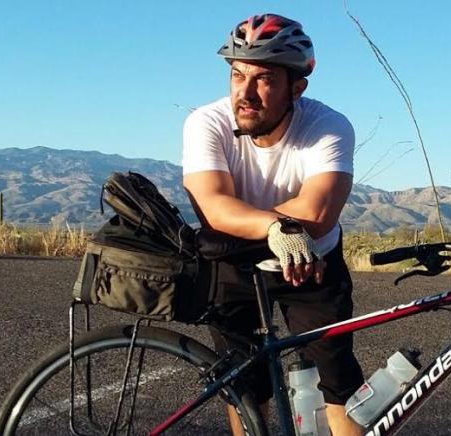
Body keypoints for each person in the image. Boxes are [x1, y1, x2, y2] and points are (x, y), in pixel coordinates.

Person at [182, 13, 364, 435]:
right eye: (237, 75)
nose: (245, 93)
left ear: (296, 88)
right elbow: (213, 206)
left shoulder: (328, 127)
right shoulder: (206, 123)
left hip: (312, 262)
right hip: (235, 260)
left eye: (263, 79)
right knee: (245, 388)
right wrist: (277, 227)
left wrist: (272, 224)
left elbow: (317, 214)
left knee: (338, 386)